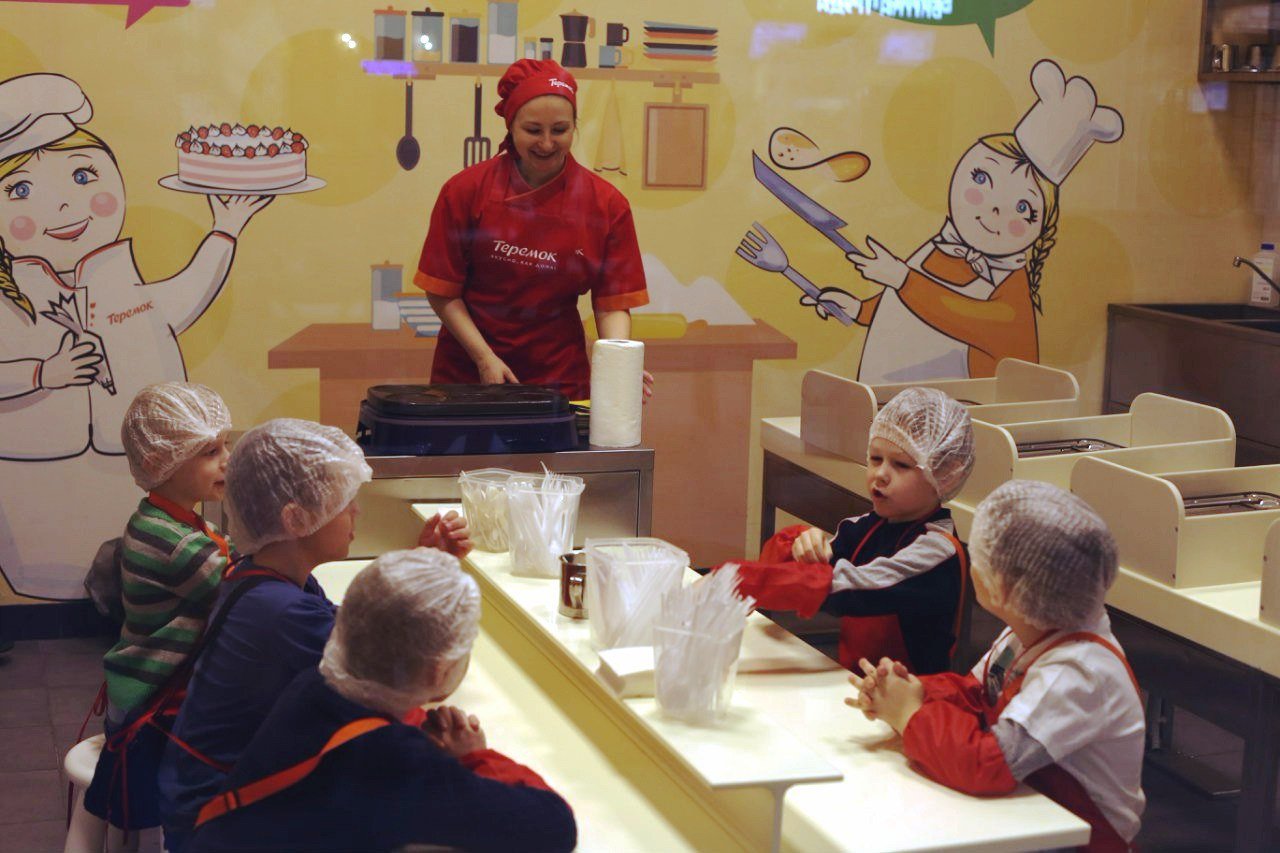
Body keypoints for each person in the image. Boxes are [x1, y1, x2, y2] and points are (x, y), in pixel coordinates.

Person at [0, 72, 273, 600]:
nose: (63, 207)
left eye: (83, 177)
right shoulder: (9, 299)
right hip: (32, 468)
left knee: (138, 559)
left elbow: (182, 297)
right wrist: (42, 374)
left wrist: (226, 229)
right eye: (21, 190)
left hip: (124, 472)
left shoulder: (122, 286)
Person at [157, 419, 471, 852]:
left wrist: (424, 561)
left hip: (207, 798)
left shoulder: (266, 577)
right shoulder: (282, 611)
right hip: (221, 824)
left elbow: (360, 629)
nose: (356, 512)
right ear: (297, 518)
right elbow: (417, 678)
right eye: (345, 502)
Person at [187, 547, 577, 853]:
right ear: (438, 670)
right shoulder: (396, 762)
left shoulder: (316, 685)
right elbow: (553, 826)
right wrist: (475, 756)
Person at [850, 480, 1145, 851]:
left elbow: (989, 764)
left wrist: (910, 714)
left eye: (986, 554)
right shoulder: (1028, 631)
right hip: (1028, 816)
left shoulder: (1077, 673)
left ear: (1006, 587)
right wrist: (913, 691)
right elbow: (977, 694)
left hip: (1079, 841)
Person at [415, 59, 651, 401]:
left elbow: (611, 303)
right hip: (467, 374)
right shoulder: (465, 191)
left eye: (559, 130)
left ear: (574, 127)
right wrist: (484, 358)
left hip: (558, 378)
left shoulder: (606, 204)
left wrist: (619, 365)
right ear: (511, 127)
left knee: (553, 457)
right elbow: (442, 290)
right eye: (532, 130)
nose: (546, 143)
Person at [724, 387, 974, 674]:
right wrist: (799, 542)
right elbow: (796, 566)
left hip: (909, 705)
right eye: (875, 459)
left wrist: (735, 579)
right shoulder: (868, 526)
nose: (880, 474)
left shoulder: (936, 551)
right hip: (857, 684)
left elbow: (852, 588)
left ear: (945, 473)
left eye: (901, 465)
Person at [84, 382, 234, 831]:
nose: (227, 459)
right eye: (210, 452)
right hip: (151, 704)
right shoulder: (171, 540)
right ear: (158, 463)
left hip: (151, 690)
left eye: (224, 445)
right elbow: (238, 588)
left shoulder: (173, 519)